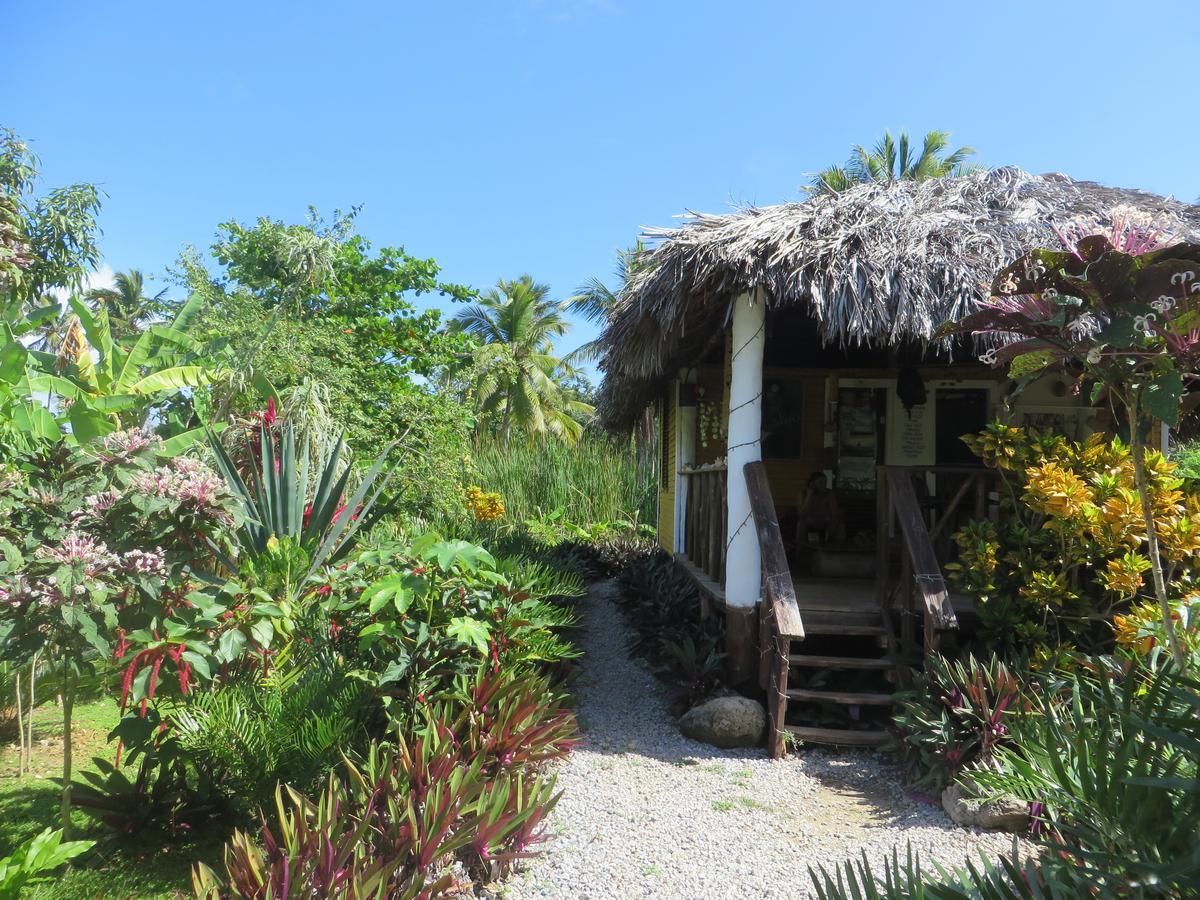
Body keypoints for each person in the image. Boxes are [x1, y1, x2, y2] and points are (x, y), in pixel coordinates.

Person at [797, 471, 844, 545]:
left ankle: (837, 550)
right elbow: (802, 515)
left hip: (826, 523)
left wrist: (832, 525)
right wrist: (809, 496)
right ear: (812, 484)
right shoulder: (804, 494)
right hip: (810, 523)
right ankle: (801, 551)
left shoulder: (829, 494)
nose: (823, 486)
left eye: (825, 483)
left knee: (840, 526)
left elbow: (835, 513)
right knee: (801, 525)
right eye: (820, 483)